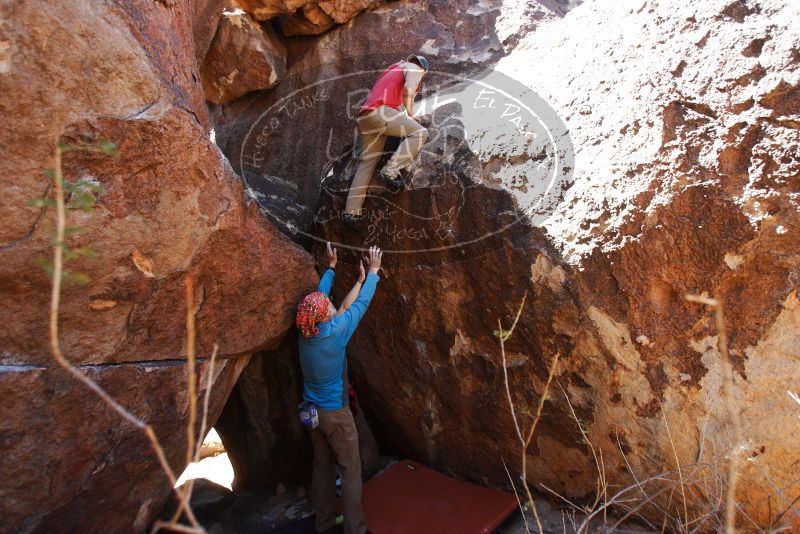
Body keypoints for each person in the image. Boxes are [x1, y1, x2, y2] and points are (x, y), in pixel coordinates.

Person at [296, 242, 383, 534]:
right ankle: (354, 529)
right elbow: (359, 307)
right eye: (330, 307)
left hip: (312, 413)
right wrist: (373, 274)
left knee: (321, 466)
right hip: (335, 413)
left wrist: (332, 268)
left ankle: (322, 523)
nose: (333, 304)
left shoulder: (306, 332)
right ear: (324, 317)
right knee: (350, 470)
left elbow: (320, 298)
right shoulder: (335, 333)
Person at [343, 54, 431, 226]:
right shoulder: (415, 68)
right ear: (423, 69)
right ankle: (390, 170)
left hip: (366, 117)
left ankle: (351, 212)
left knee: (367, 164)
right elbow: (409, 89)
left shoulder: (392, 69)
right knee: (420, 133)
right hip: (380, 113)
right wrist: (412, 115)